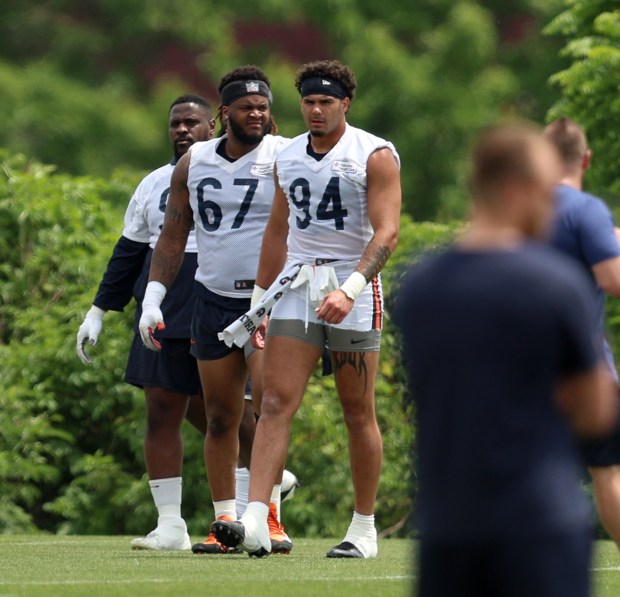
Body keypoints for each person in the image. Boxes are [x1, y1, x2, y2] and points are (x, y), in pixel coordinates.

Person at [395, 123, 617, 597]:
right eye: (544, 193)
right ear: (518, 190)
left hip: (446, 526)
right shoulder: (556, 284)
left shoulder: (420, 285)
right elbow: (597, 410)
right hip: (539, 520)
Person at [212, 59, 402, 559]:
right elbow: (278, 231)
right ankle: (256, 517)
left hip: (351, 287)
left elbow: (387, 231)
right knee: (273, 402)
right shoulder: (288, 155)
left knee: (357, 411)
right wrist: (259, 306)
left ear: (345, 103)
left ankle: (363, 528)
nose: (316, 110)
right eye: (309, 102)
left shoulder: (373, 154)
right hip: (298, 284)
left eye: (326, 102)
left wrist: (354, 286)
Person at [138, 66, 293, 554]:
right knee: (222, 417)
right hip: (212, 298)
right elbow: (173, 234)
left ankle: (266, 519)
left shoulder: (285, 155)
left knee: (268, 408)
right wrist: (153, 297)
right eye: (247, 107)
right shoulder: (195, 162)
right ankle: (225, 519)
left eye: (263, 107)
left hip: (270, 301)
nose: (257, 115)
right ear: (224, 113)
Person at [76, 95, 216, 550]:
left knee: (226, 409)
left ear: (211, 125)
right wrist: (98, 310)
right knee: (161, 410)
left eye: (191, 122)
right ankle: (171, 525)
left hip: (219, 296)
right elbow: (130, 252)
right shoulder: (153, 183)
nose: (182, 130)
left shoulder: (237, 172)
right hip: (161, 301)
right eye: (175, 123)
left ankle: (255, 505)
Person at [544, 117, 620, 549]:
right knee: (606, 472)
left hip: (521, 367)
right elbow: (613, 279)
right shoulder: (584, 209)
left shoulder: (519, 208)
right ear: (585, 158)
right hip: (585, 370)